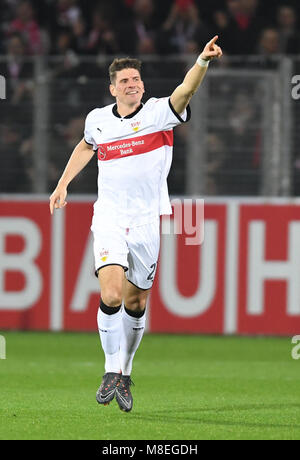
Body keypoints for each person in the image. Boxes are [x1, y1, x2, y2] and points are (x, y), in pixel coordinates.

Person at [49, 36, 222, 412]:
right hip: (110, 217)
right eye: (125, 80)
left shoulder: (159, 113)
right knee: (111, 294)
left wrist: (202, 62)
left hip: (147, 221)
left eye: (136, 79)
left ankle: (125, 372)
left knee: (136, 302)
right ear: (113, 88)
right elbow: (85, 145)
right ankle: (110, 370)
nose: (133, 84)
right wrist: (63, 183)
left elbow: (186, 89)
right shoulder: (97, 120)